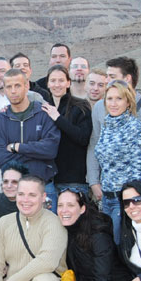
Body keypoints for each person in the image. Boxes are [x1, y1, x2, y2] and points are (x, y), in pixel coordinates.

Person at [86, 57, 141, 211]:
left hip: (127, 198)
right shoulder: (104, 117)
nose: (106, 80)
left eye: (111, 76)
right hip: (107, 193)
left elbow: (139, 164)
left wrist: (133, 199)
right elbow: (95, 145)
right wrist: (94, 181)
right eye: (109, 99)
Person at [92, 80, 141, 243]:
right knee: (106, 246)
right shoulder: (106, 125)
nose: (113, 103)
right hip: (106, 199)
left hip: (125, 201)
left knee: (120, 247)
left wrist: (132, 202)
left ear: (128, 102)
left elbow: (139, 169)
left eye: (119, 98)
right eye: (109, 99)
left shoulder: (134, 127)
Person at [0, 69, 60, 184]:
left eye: (17, 86)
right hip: (13, 187)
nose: (13, 91)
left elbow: (50, 150)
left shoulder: (43, 114)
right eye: (9, 87)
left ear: (26, 86)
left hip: (43, 184)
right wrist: (37, 156)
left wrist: (17, 147)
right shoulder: (1, 120)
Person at [41, 65, 92, 202]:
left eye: (61, 80)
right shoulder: (43, 108)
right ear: (47, 83)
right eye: (53, 81)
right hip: (49, 180)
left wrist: (58, 118)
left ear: (68, 83)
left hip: (73, 179)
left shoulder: (80, 106)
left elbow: (83, 137)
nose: (57, 85)